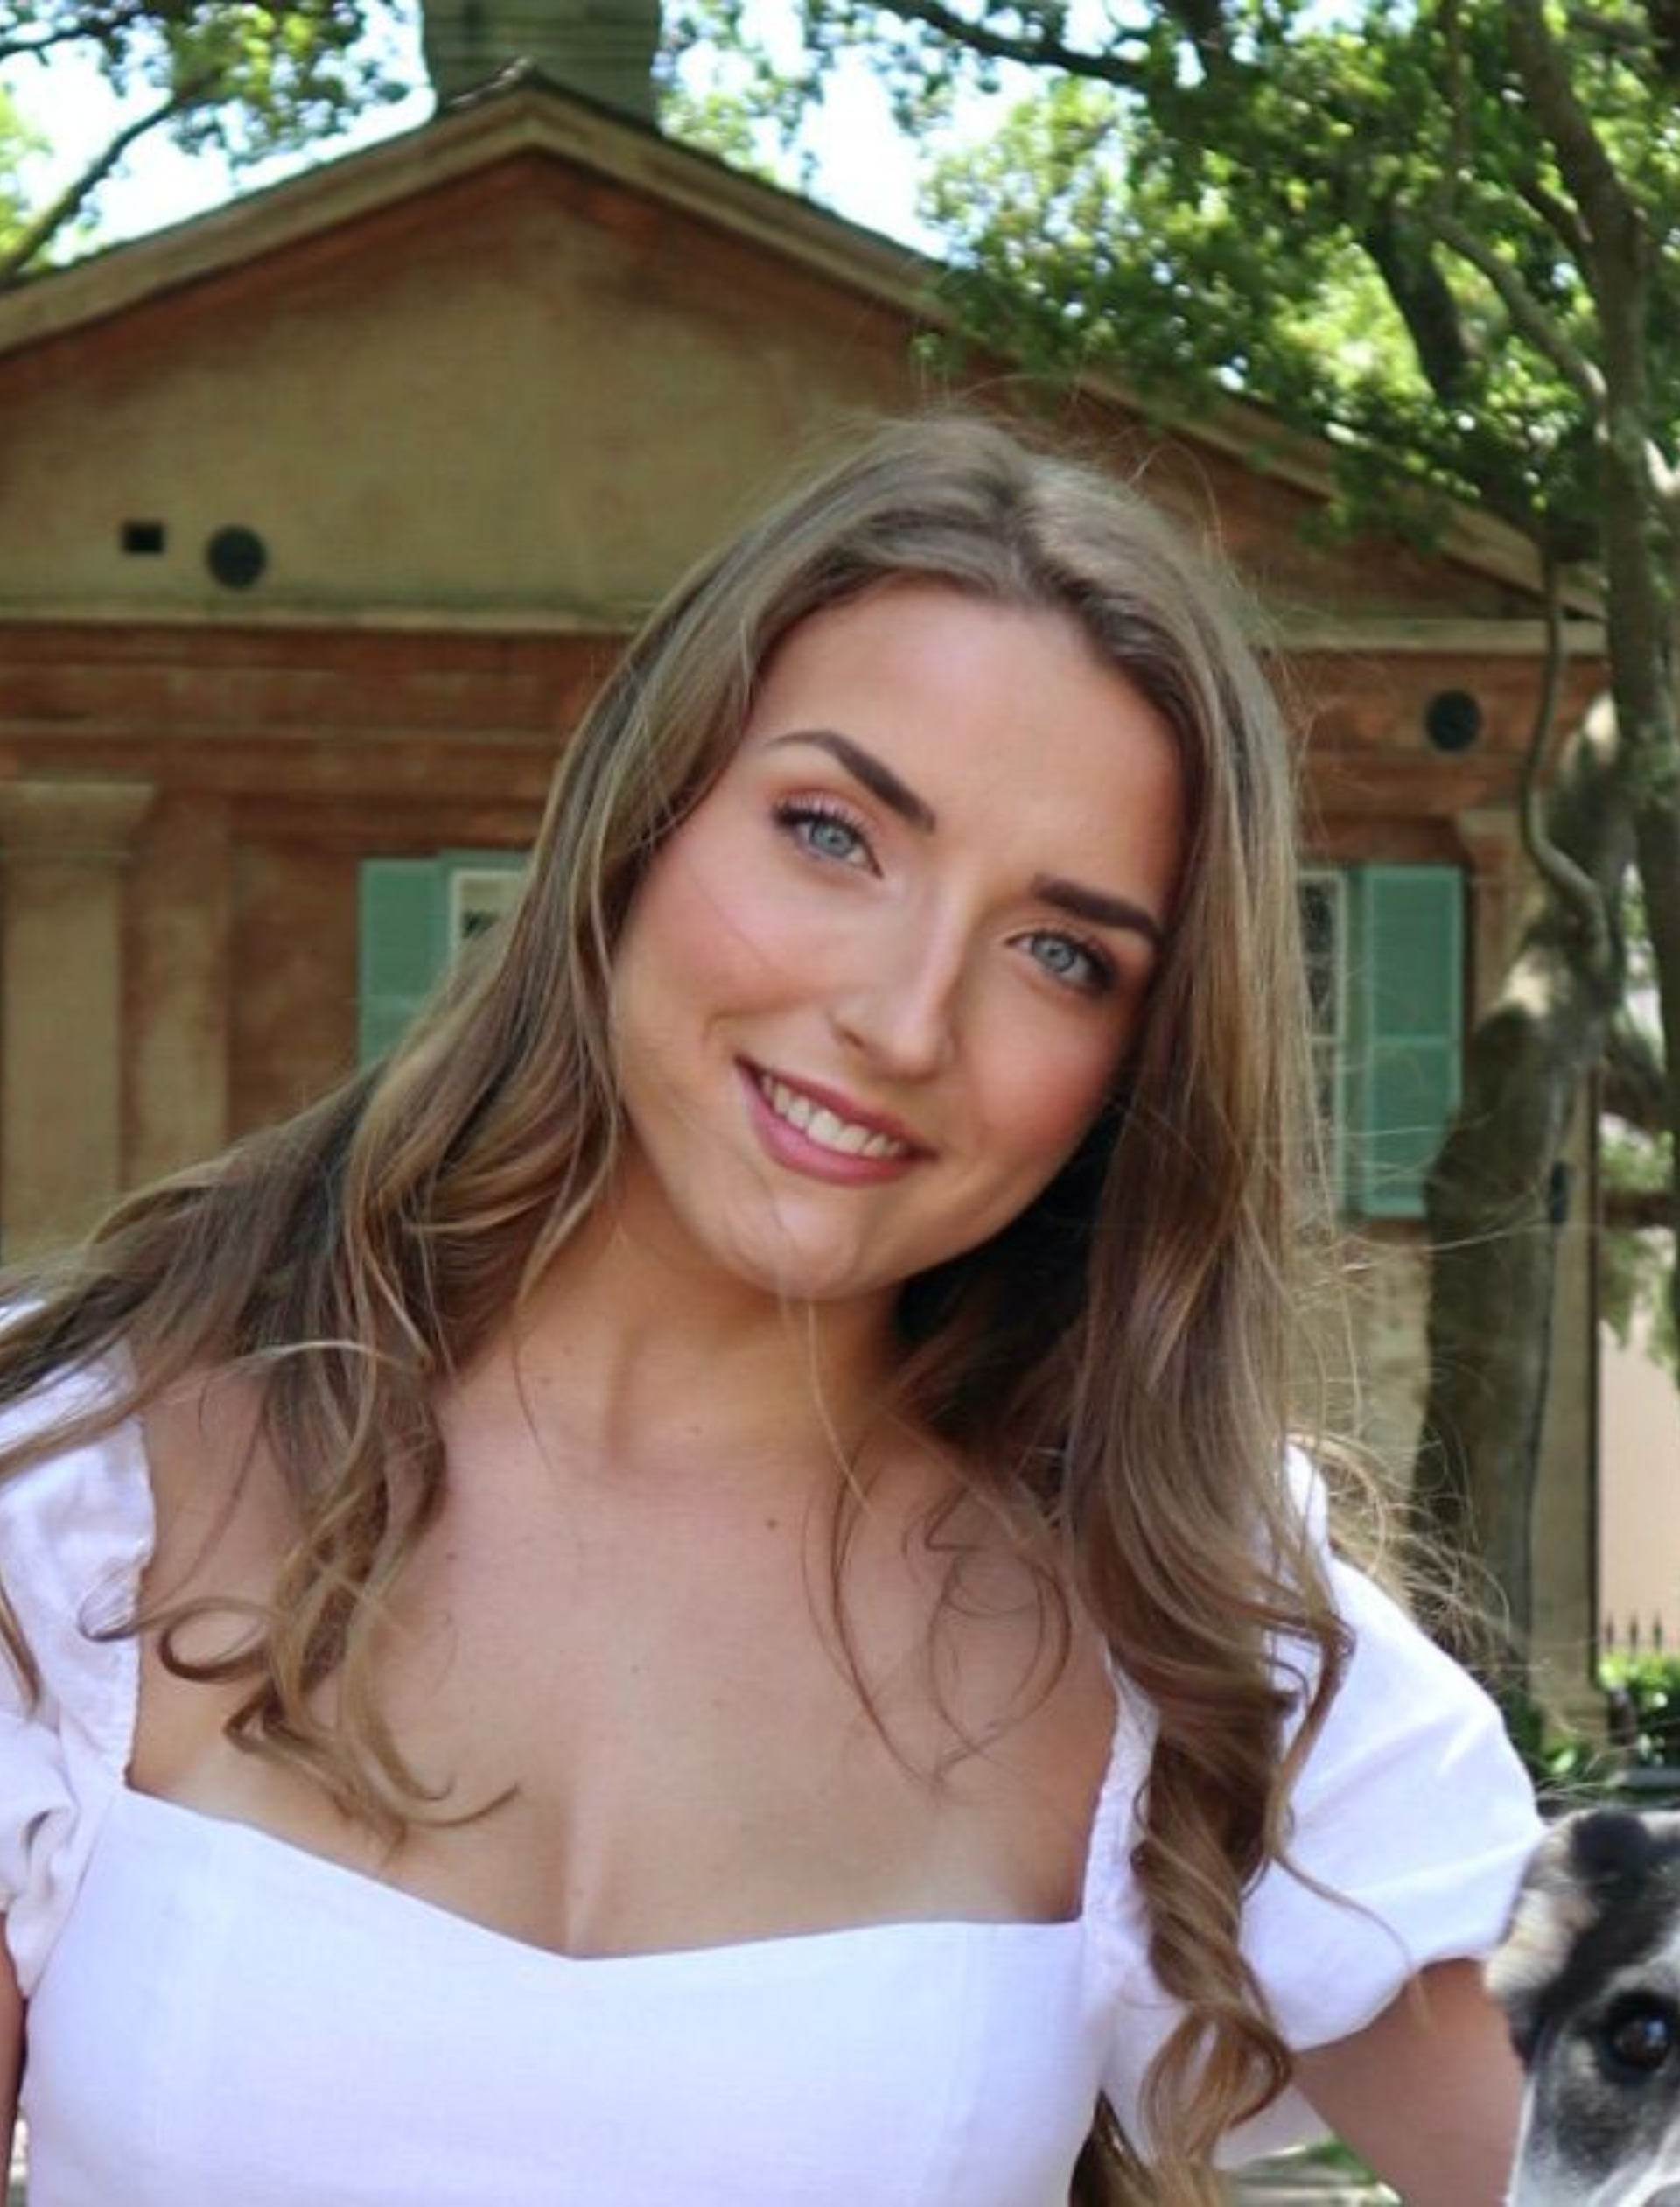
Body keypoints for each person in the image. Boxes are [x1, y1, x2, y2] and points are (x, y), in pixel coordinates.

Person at [0, 412, 1539, 2207]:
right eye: (831, 832)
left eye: (1062, 952)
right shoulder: (83, 1487)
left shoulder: (1184, 1623)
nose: (904, 1017)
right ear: (642, 812)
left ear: (1140, 1061)